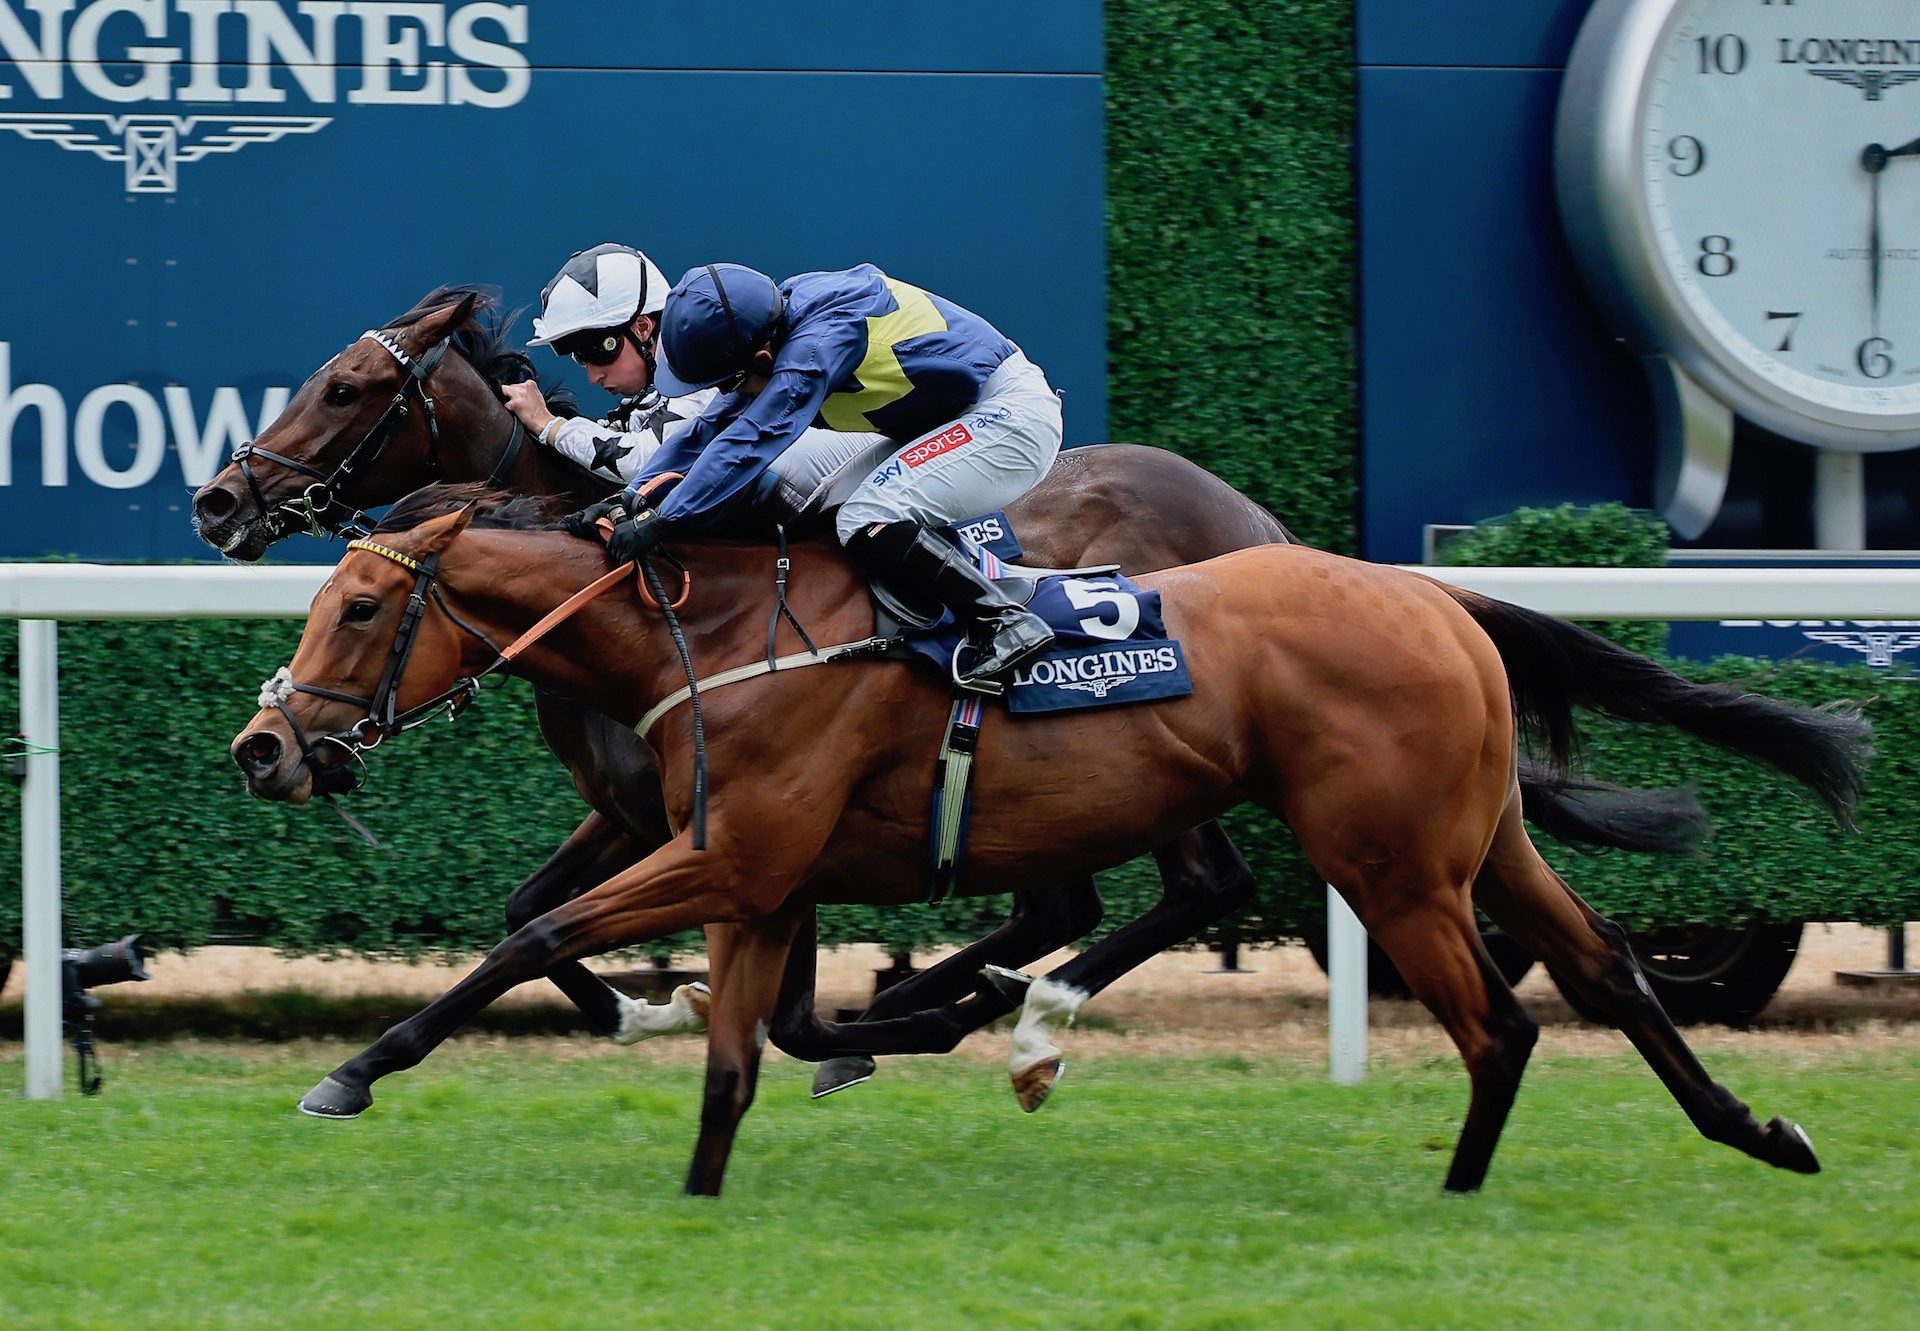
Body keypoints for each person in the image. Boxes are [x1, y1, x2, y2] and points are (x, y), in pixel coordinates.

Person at [590, 262, 1064, 685]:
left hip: (1007, 414)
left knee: (867, 516)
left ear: (762, 360)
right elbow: (709, 427)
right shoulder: (772, 328)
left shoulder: (820, 339)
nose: (726, 394)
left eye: (730, 381)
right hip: (946, 420)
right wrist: (631, 498)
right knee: (829, 516)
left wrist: (665, 520)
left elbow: (754, 437)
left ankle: (1003, 621)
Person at [506, 243, 719, 481]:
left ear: (642, 327)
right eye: (581, 358)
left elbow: (647, 461)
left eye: (599, 351)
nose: (593, 377)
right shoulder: (672, 383)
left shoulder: (701, 370)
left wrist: (547, 424)